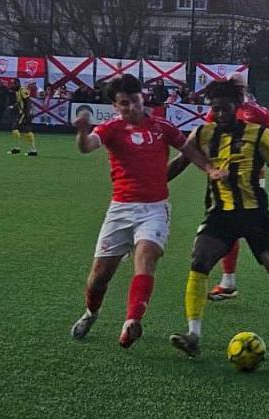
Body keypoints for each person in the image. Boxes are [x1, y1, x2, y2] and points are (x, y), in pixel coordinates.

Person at [69, 74, 223, 349]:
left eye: (135, 100)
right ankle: (91, 313)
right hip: (120, 209)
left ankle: (131, 322)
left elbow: (189, 150)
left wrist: (210, 169)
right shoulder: (111, 128)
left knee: (146, 256)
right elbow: (87, 146)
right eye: (124, 103)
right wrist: (81, 131)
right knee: (99, 277)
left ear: (143, 97)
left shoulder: (162, 127)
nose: (131, 107)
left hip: (154, 209)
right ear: (115, 106)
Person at [169, 78, 269, 358]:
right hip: (220, 214)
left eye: (225, 108)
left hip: (255, 214)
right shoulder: (203, 133)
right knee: (199, 262)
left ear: (236, 106)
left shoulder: (258, 134)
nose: (219, 114)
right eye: (215, 109)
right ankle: (193, 334)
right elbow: (180, 162)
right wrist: (152, 184)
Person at [7, 79, 37, 156]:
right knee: (26, 131)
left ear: (17, 83)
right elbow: (19, 102)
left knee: (15, 128)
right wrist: (13, 106)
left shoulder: (22, 90)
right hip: (22, 113)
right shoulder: (17, 91)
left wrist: (26, 113)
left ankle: (19, 148)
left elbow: (28, 101)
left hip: (24, 113)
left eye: (13, 84)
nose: (12, 85)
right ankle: (32, 150)